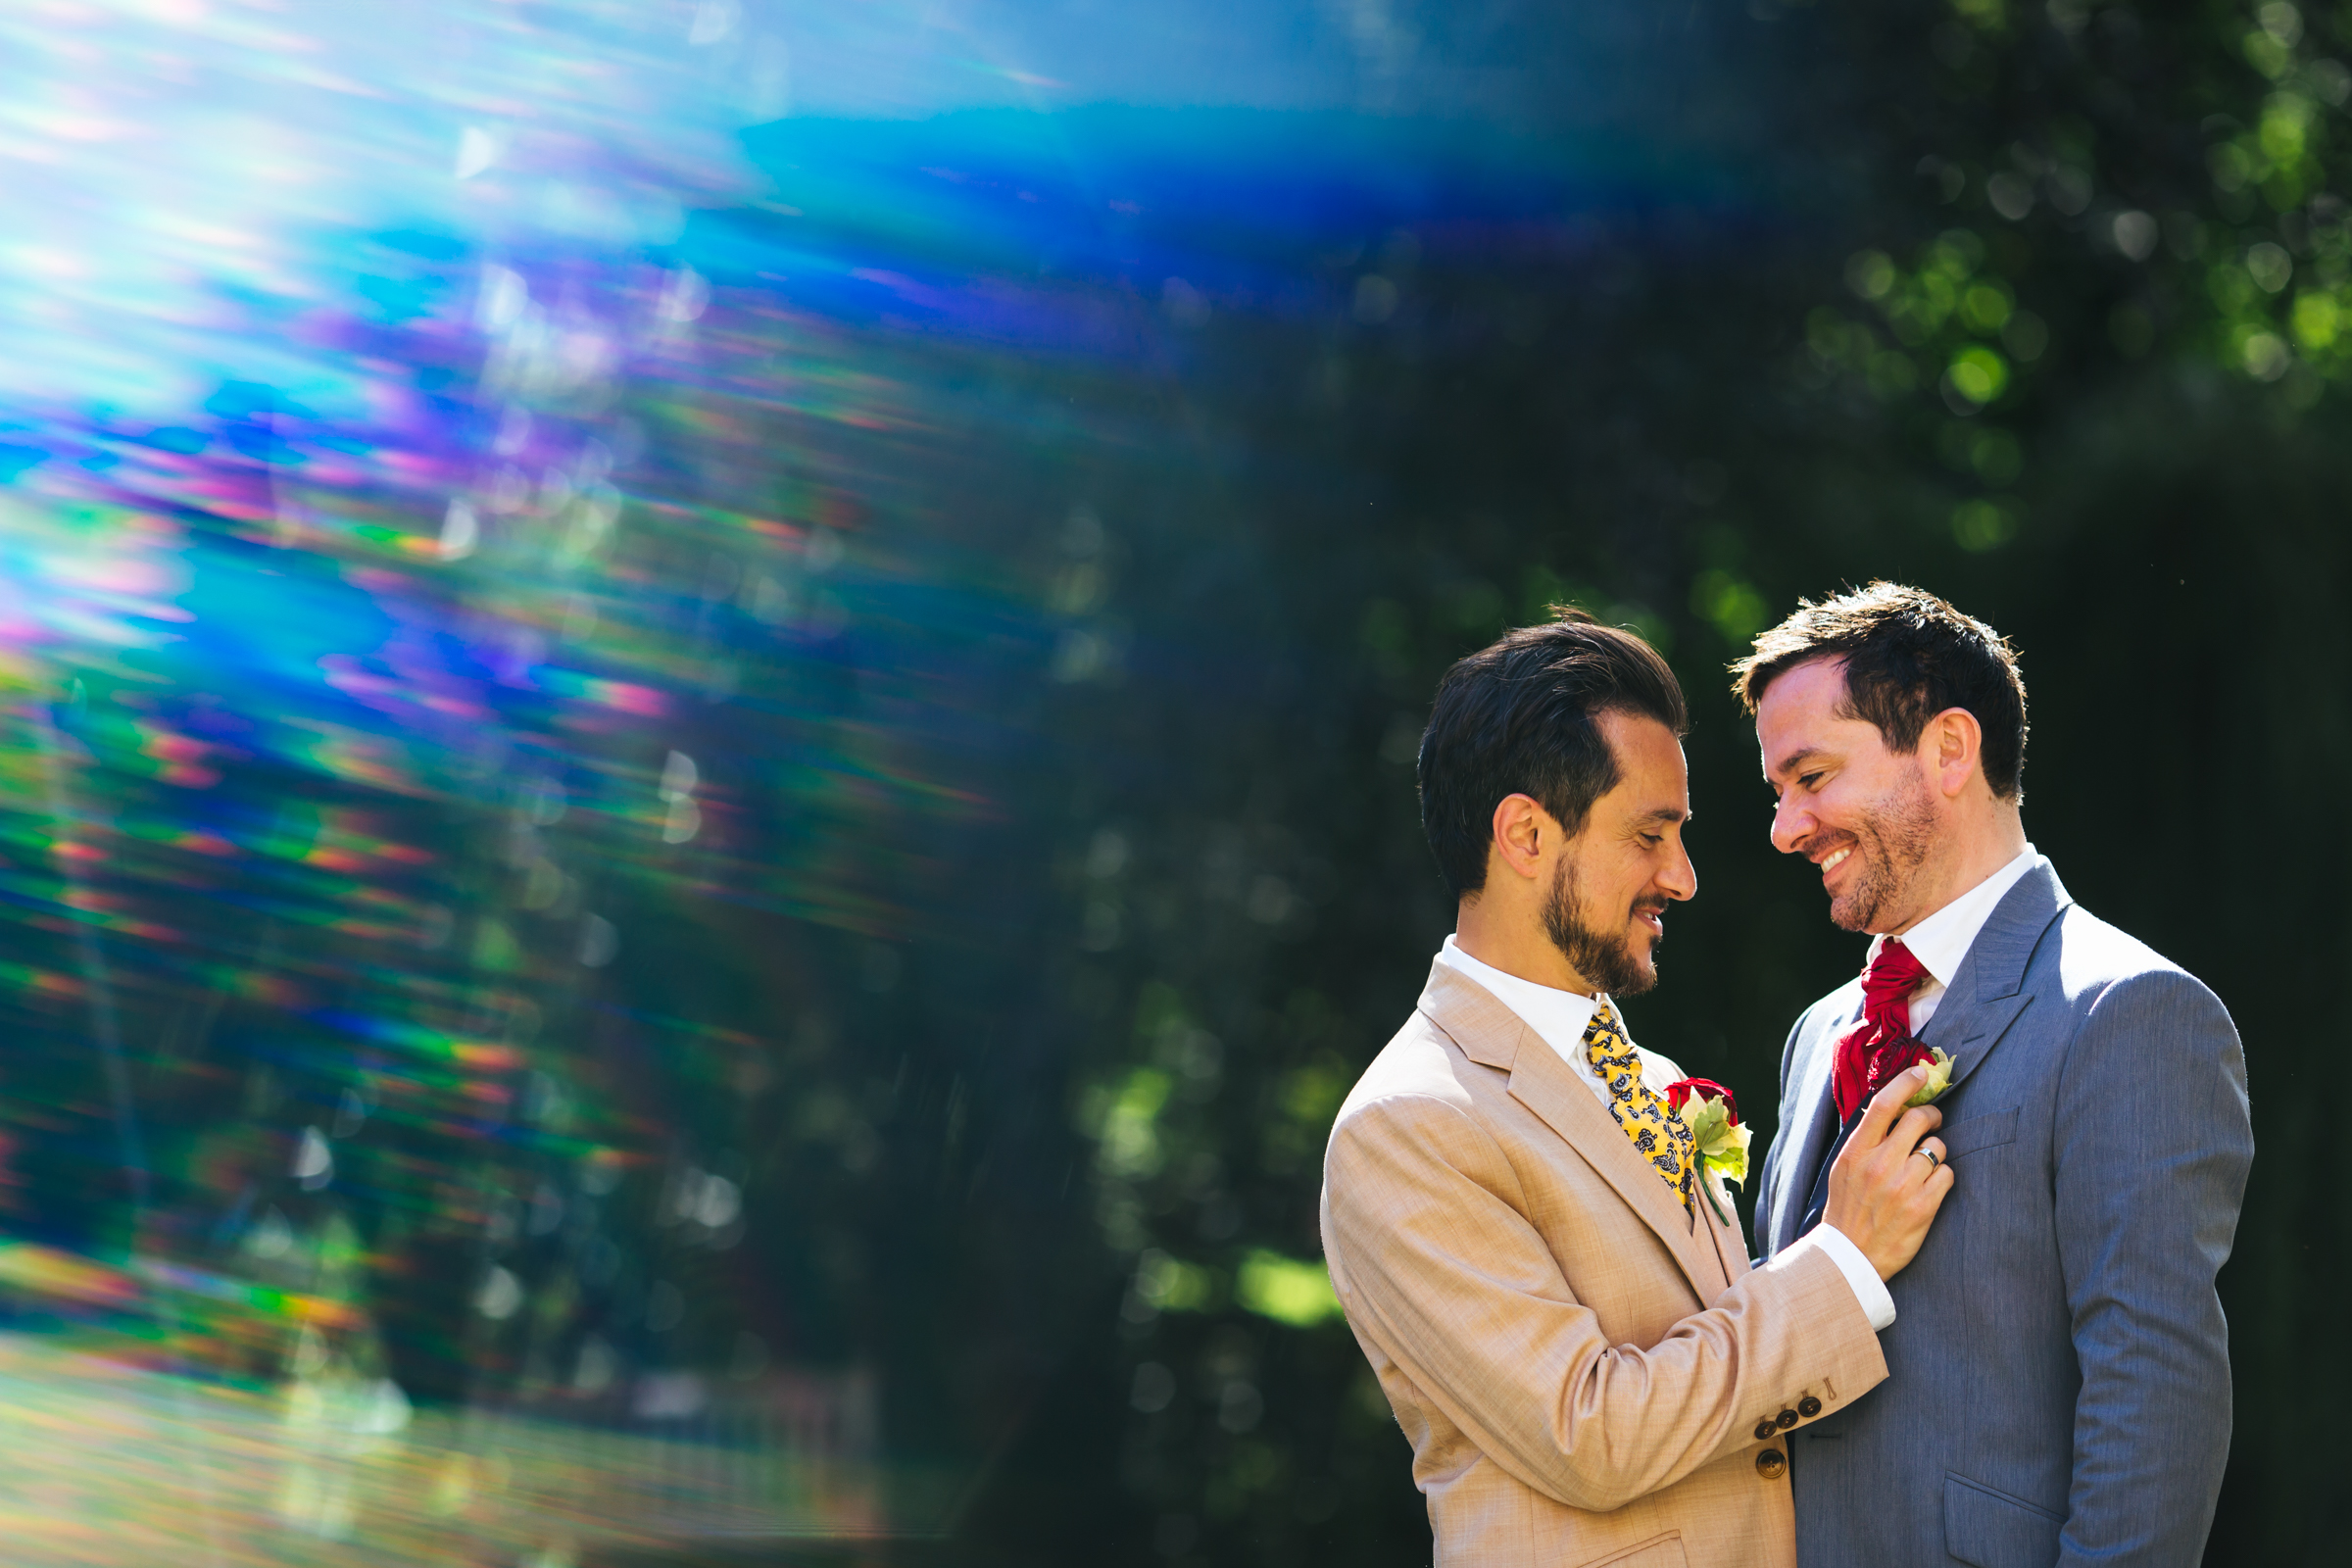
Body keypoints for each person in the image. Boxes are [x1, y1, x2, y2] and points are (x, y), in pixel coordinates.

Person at [1320, 609, 1952, 1568]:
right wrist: (1845, 1263)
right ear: (1526, 834)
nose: (1684, 877)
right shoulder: (1409, 1123)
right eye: (1650, 835)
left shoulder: (1651, 1079)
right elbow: (1591, 1432)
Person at [1736, 583, 2253, 1567]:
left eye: (1811, 776)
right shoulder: (1820, 1033)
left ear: (1949, 751)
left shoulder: (2129, 1012)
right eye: (1777, 791)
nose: (1785, 826)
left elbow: (2155, 1399)